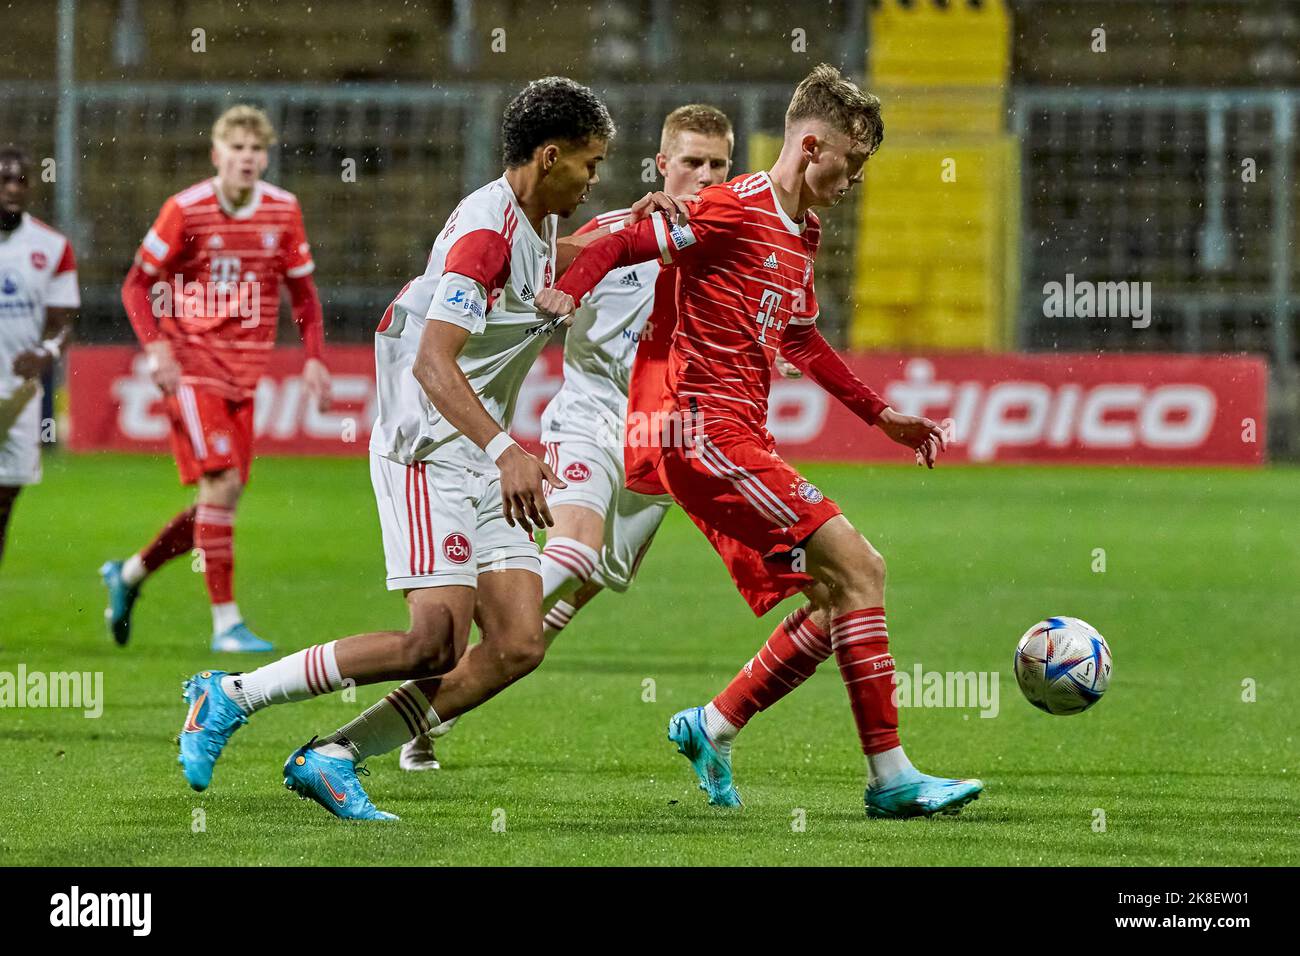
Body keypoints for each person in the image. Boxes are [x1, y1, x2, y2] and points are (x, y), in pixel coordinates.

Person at [173, 76, 689, 820]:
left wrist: (641, 219)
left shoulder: (532, 219)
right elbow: (432, 361)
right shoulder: (485, 236)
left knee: (516, 642)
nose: (595, 178)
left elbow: (569, 253)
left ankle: (331, 755)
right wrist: (508, 449)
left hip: (481, 451)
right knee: (432, 642)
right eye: (590, 163)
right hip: (430, 447)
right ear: (550, 157)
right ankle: (229, 695)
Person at [551, 64, 983, 819]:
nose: (853, 182)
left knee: (832, 600)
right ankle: (892, 780)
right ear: (813, 146)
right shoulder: (730, 209)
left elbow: (801, 338)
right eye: (851, 165)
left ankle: (712, 726)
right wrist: (569, 288)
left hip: (742, 438)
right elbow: (627, 242)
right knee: (863, 568)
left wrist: (882, 416)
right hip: (699, 433)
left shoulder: (802, 230)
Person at [399, 103, 736, 772]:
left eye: (718, 164)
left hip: (662, 443)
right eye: (691, 161)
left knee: (554, 618)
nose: (703, 175)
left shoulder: (731, 248)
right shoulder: (615, 233)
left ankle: (426, 711)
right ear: (662, 165)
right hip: (590, 417)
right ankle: (458, 600)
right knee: (573, 556)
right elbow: (523, 261)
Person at [102, 105, 331, 652]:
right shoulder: (185, 210)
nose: (248, 159)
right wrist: (156, 349)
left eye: (257, 150)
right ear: (217, 155)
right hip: (190, 365)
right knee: (222, 487)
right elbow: (137, 285)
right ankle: (226, 624)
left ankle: (130, 573)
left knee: (220, 499)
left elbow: (302, 294)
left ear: (266, 157)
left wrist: (315, 357)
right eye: (238, 149)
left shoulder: (283, 210)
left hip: (246, 373)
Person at [0, 145, 78, 567]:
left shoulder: (51, 246)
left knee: (4, 506)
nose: (13, 188)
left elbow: (63, 321)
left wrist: (45, 351)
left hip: (19, 397)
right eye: (4, 179)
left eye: (21, 180)